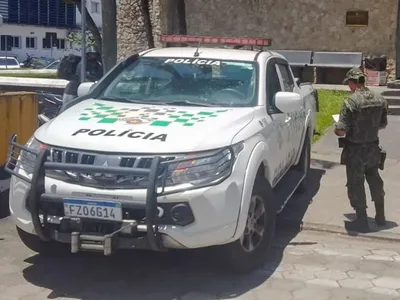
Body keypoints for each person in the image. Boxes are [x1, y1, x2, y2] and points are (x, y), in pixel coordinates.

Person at [334, 67, 388, 232]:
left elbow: (341, 130)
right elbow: (382, 124)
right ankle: (380, 216)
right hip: (373, 147)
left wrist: (337, 128)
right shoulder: (380, 99)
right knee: (375, 179)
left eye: (349, 84)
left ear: (352, 83)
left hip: (355, 150)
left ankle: (362, 220)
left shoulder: (350, 102)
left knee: (356, 184)